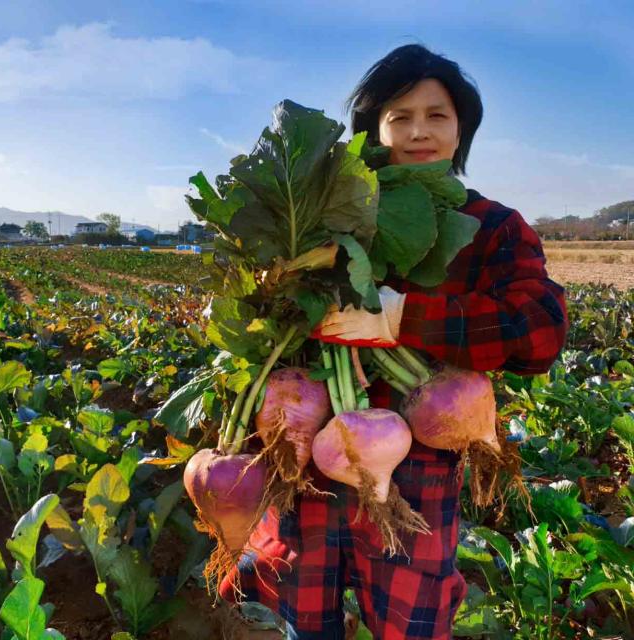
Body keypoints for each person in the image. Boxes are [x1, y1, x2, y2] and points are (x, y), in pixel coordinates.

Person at [219, 43, 568, 639]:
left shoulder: (492, 225)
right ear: (374, 129)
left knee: (413, 622)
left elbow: (539, 333)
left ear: (462, 130)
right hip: (311, 462)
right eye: (399, 117)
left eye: (437, 116)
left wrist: (404, 317)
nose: (418, 131)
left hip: (422, 469)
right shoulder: (327, 218)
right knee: (304, 619)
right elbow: (269, 321)